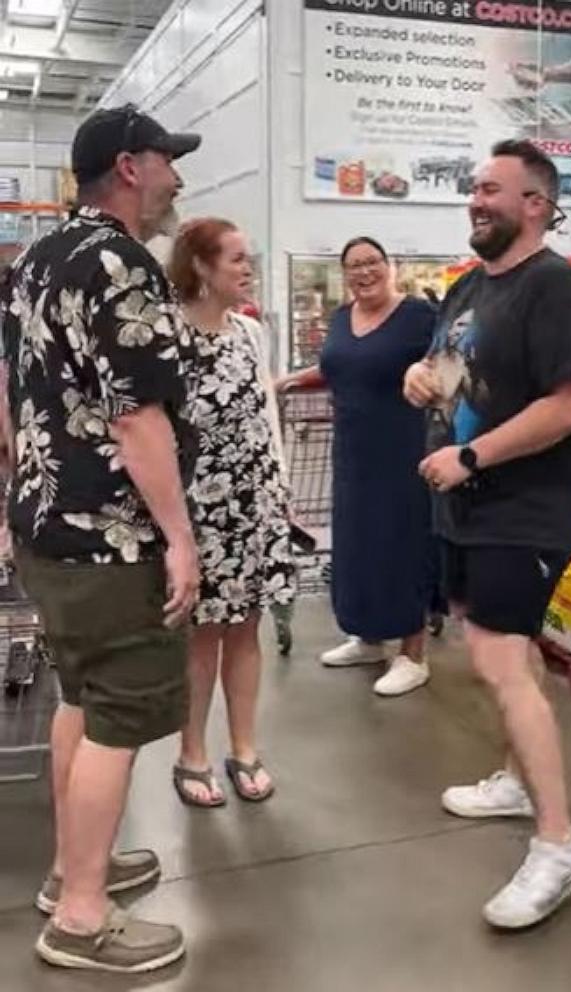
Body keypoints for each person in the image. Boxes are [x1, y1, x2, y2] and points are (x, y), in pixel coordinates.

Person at [0, 105, 202, 973]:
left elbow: (12, 396)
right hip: (110, 539)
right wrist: (181, 539)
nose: (177, 180)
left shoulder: (34, 260)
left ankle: (68, 871)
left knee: (79, 699)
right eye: (168, 163)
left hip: (45, 525)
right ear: (129, 165)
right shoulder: (122, 263)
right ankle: (81, 918)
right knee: (120, 718)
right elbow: (138, 417)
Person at [404, 139, 571, 929]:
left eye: (492, 189)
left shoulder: (559, 291)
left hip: (524, 509)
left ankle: (559, 843)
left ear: (535, 203)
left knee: (498, 660)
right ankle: (520, 779)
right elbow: (446, 372)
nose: (475, 200)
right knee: (509, 655)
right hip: (465, 504)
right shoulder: (466, 289)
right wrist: (418, 378)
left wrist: (473, 454)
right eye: (473, 189)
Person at [168, 218, 296, 807]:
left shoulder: (250, 334)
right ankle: (191, 752)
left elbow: (265, 416)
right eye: (237, 259)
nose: (248, 269)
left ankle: (244, 747)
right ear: (201, 265)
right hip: (197, 508)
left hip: (255, 502)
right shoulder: (166, 335)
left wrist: (280, 491)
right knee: (200, 637)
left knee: (246, 631)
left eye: (250, 259)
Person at [279, 238, 436, 697]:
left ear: (390, 267)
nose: (364, 272)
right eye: (354, 266)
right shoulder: (343, 318)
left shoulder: (419, 316)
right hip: (352, 451)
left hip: (403, 449)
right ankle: (369, 638)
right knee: (358, 546)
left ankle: (413, 653)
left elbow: (446, 364)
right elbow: (339, 366)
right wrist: (291, 378)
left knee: (402, 546)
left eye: (372, 263)